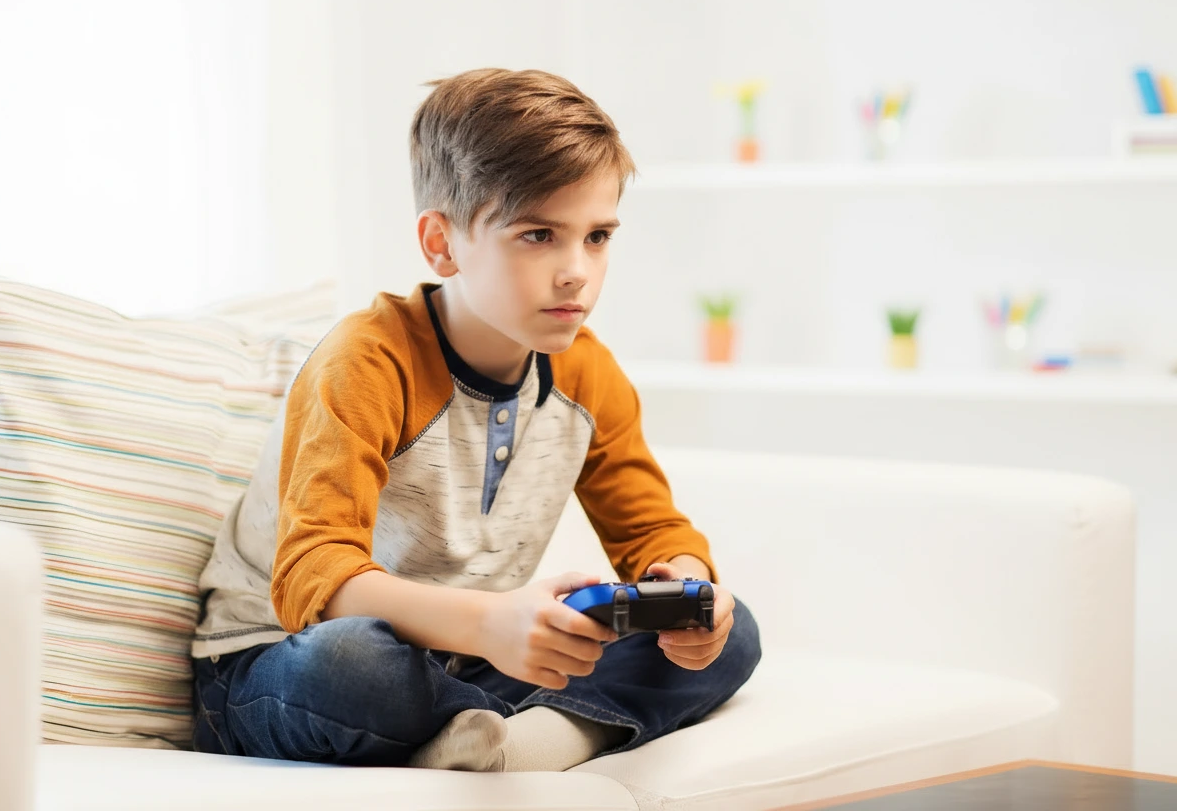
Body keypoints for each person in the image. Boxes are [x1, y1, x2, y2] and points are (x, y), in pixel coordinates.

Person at [190, 67, 761, 772]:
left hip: (468, 656)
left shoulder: (588, 373)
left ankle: (512, 742)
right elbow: (316, 576)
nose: (576, 271)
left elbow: (650, 529)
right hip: (276, 660)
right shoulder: (367, 362)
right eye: (538, 235)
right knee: (357, 664)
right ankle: (493, 726)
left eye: (597, 236)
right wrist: (495, 623)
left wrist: (680, 586)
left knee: (732, 632)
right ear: (441, 243)